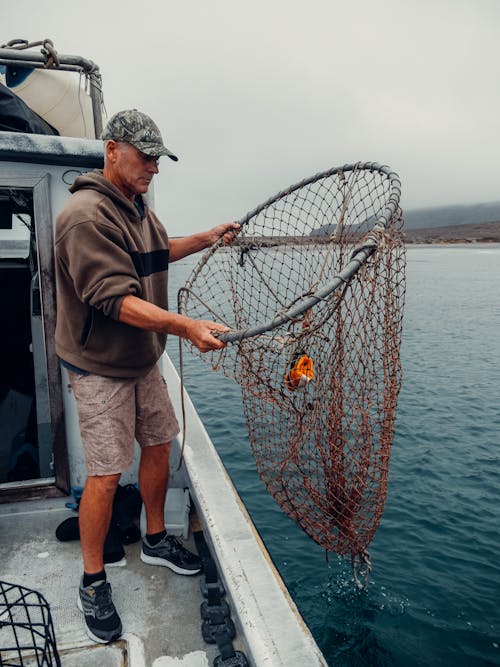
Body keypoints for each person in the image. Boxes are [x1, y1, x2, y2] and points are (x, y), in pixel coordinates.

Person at [54, 109, 239, 644]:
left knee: (160, 445)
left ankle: (154, 538)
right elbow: (115, 299)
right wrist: (185, 326)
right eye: (144, 156)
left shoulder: (137, 209)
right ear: (112, 149)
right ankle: (92, 581)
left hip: (142, 361)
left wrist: (206, 237)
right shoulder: (87, 216)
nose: (153, 167)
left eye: (158, 158)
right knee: (107, 473)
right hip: (101, 370)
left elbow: (158, 254)